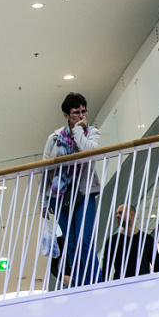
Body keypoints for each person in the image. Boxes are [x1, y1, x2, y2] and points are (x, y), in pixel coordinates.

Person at [41, 92, 103, 287]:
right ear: (66, 115)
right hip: (59, 196)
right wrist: (44, 201)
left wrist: (78, 131)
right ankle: (81, 285)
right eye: (76, 112)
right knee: (72, 243)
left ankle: (97, 283)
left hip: (84, 192)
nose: (82, 116)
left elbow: (88, 152)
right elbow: (46, 171)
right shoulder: (54, 138)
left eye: (84, 111)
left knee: (85, 241)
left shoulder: (92, 133)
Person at [103, 204, 159, 280]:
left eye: (121, 213)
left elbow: (158, 267)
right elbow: (106, 270)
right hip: (121, 286)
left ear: (132, 215)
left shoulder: (147, 239)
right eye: (116, 214)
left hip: (142, 285)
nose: (117, 216)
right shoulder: (112, 241)